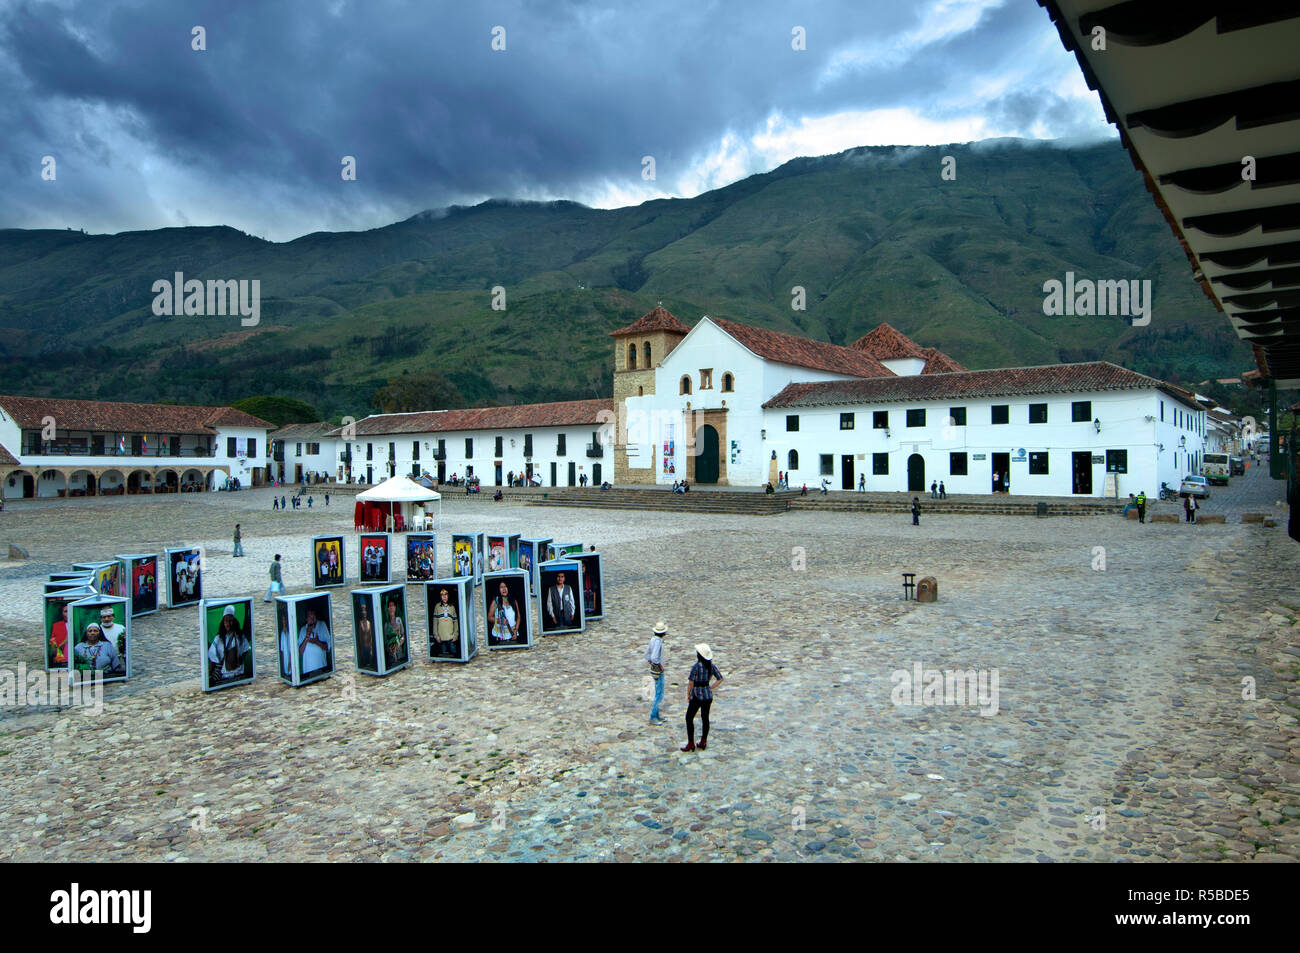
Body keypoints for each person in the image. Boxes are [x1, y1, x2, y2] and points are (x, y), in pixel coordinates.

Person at [681, 643, 723, 752]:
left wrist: (688, 694)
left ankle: (691, 743)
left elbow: (691, 682)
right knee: (705, 718)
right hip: (707, 695)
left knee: (689, 718)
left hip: (696, 695)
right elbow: (720, 678)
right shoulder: (711, 666)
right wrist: (710, 687)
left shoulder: (696, 666)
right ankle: (703, 741)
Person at [208, 605, 251, 684]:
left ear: (234, 621)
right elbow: (213, 658)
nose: (228, 624)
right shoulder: (218, 638)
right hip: (224, 676)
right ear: (223, 622)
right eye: (226, 621)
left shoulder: (240, 636)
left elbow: (246, 648)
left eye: (230, 621)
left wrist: (240, 659)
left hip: (238, 674)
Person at [296, 605, 332, 678]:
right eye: (310, 617)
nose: (312, 619)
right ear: (307, 618)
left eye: (313, 617)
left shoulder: (322, 625)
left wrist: (317, 642)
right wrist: (306, 637)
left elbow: (327, 647)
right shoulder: (303, 629)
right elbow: (300, 652)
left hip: (321, 669)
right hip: (308, 671)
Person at [646, 621, 667, 725]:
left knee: (658, 692)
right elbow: (654, 657)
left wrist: (651, 662)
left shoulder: (652, 640)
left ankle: (657, 715)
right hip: (659, 671)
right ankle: (653, 716)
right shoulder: (658, 642)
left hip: (654, 670)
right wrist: (660, 666)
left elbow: (647, 654)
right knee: (659, 694)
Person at [431, 587, 459, 657]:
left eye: (446, 595)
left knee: (453, 653)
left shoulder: (452, 607)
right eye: (442, 595)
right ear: (440, 597)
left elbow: (455, 622)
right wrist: (436, 635)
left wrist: (456, 635)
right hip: (441, 637)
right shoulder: (437, 607)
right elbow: (435, 622)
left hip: (451, 636)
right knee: (443, 654)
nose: (444, 597)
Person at [383, 596, 407, 667]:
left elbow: (403, 635)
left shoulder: (399, 620)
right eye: (389, 606)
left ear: (395, 607)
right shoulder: (386, 625)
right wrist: (390, 648)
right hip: (391, 655)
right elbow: (385, 640)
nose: (391, 608)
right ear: (387, 609)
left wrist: (399, 644)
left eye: (393, 606)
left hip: (399, 652)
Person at [355, 600, 377, 670]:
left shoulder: (369, 623)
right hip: (363, 647)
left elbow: (371, 636)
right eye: (362, 610)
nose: (364, 612)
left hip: (369, 646)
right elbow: (360, 637)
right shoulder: (360, 623)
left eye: (365, 610)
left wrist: (371, 649)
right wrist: (361, 650)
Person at [48, 602, 69, 667]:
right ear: (62, 613)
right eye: (66, 611)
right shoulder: (56, 625)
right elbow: (52, 641)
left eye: (70, 611)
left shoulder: (78, 625)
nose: (68, 614)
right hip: (61, 657)